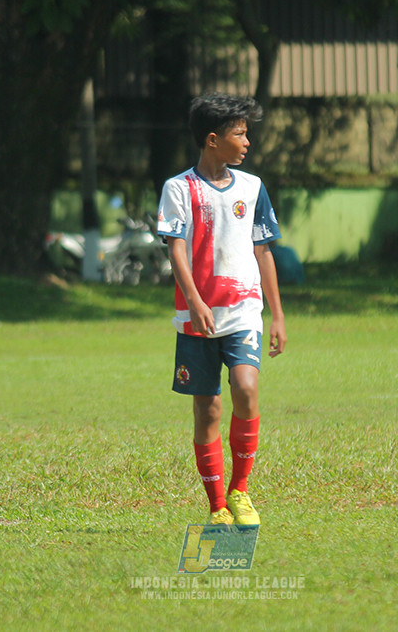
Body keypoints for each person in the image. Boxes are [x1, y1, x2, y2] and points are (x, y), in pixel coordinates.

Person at [156, 93, 286, 526]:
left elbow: (263, 251)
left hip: (244, 310)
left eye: (247, 132)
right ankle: (216, 507)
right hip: (197, 316)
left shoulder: (252, 187)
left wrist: (278, 315)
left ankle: (241, 490)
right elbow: (176, 249)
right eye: (239, 133)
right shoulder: (179, 189)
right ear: (213, 140)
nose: (247, 141)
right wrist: (194, 300)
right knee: (207, 408)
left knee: (246, 388)